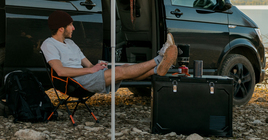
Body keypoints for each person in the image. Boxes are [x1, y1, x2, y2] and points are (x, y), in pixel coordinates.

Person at [40, 10, 177, 94]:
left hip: (85, 76)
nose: (74, 28)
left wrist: (97, 67)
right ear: (61, 29)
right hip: (75, 81)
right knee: (120, 72)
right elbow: (60, 71)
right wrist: (90, 70)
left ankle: (156, 69)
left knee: (125, 68)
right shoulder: (49, 44)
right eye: (70, 25)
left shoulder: (70, 43)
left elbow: (89, 65)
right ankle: (159, 58)